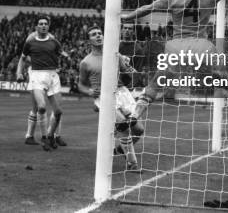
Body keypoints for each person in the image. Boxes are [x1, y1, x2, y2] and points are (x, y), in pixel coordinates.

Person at [78, 26, 144, 172]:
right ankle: (132, 164)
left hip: (122, 92)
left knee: (139, 130)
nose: (98, 36)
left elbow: (128, 72)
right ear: (89, 40)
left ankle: (121, 147)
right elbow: (80, 85)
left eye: (100, 33)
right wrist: (89, 92)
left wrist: (131, 70)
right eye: (94, 34)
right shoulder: (86, 62)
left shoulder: (115, 54)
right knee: (123, 126)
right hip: (104, 96)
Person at [16, 16, 69, 151]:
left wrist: (64, 59)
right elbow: (23, 57)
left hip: (52, 75)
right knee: (39, 107)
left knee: (58, 111)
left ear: (49, 25)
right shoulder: (30, 40)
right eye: (41, 23)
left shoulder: (53, 40)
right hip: (36, 74)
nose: (43, 25)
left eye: (46, 23)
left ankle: (53, 136)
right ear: (37, 26)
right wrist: (20, 72)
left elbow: (60, 54)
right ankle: (37, 136)